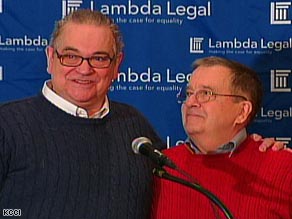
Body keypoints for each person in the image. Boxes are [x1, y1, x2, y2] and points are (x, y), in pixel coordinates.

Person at [0, 10, 285, 219]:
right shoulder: (8, 126)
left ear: (116, 65)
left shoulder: (136, 130)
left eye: (99, 58)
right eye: (71, 56)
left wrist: (257, 149)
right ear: (51, 57)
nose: (84, 69)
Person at [151, 56, 292, 219]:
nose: (190, 102)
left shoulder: (283, 168)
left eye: (205, 93)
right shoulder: (161, 168)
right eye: (189, 93)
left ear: (242, 111)